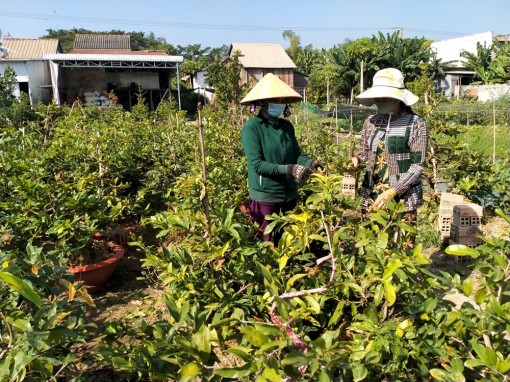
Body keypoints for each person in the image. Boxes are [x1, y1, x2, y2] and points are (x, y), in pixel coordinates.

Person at [240, 73, 322, 242]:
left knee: (289, 243)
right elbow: (257, 165)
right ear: (262, 102)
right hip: (266, 197)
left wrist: (311, 163)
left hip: (289, 195)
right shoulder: (252, 128)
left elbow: (295, 156)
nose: (279, 104)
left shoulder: (286, 126)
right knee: (267, 245)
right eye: (275, 100)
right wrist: (290, 169)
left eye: (282, 100)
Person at [351, 68, 428, 221]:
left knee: (400, 240)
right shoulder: (371, 122)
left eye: (384, 97)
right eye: (377, 97)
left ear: (397, 98)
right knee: (372, 238)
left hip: (403, 197)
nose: (380, 100)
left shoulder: (415, 123)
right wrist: (357, 160)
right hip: (372, 191)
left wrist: (393, 191)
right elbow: (364, 153)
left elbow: (417, 166)